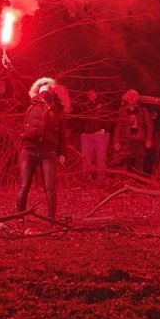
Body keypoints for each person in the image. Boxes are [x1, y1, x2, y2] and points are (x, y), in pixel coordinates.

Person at [16, 77, 69, 220]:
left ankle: (52, 220)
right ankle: (19, 218)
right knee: (24, 185)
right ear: (38, 91)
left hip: (48, 151)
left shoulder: (58, 111)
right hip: (29, 149)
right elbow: (18, 85)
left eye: (48, 88)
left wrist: (62, 153)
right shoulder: (31, 104)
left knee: (50, 187)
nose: (44, 91)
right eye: (42, 88)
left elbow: (62, 134)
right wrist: (10, 69)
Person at [113, 89, 154, 173]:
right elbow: (117, 126)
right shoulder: (121, 110)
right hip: (125, 138)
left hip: (140, 139)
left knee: (140, 161)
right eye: (130, 96)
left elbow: (149, 125)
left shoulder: (143, 110)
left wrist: (149, 139)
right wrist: (116, 141)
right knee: (124, 161)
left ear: (137, 99)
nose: (132, 98)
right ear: (126, 98)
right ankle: (124, 180)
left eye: (134, 96)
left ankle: (137, 180)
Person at [78, 89, 111, 183]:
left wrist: (104, 129)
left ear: (97, 94)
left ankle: (101, 179)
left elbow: (109, 118)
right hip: (87, 135)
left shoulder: (103, 105)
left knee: (101, 157)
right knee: (86, 157)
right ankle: (87, 178)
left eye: (93, 93)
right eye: (89, 93)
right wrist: (82, 131)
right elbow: (79, 120)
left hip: (99, 134)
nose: (91, 95)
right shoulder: (84, 106)